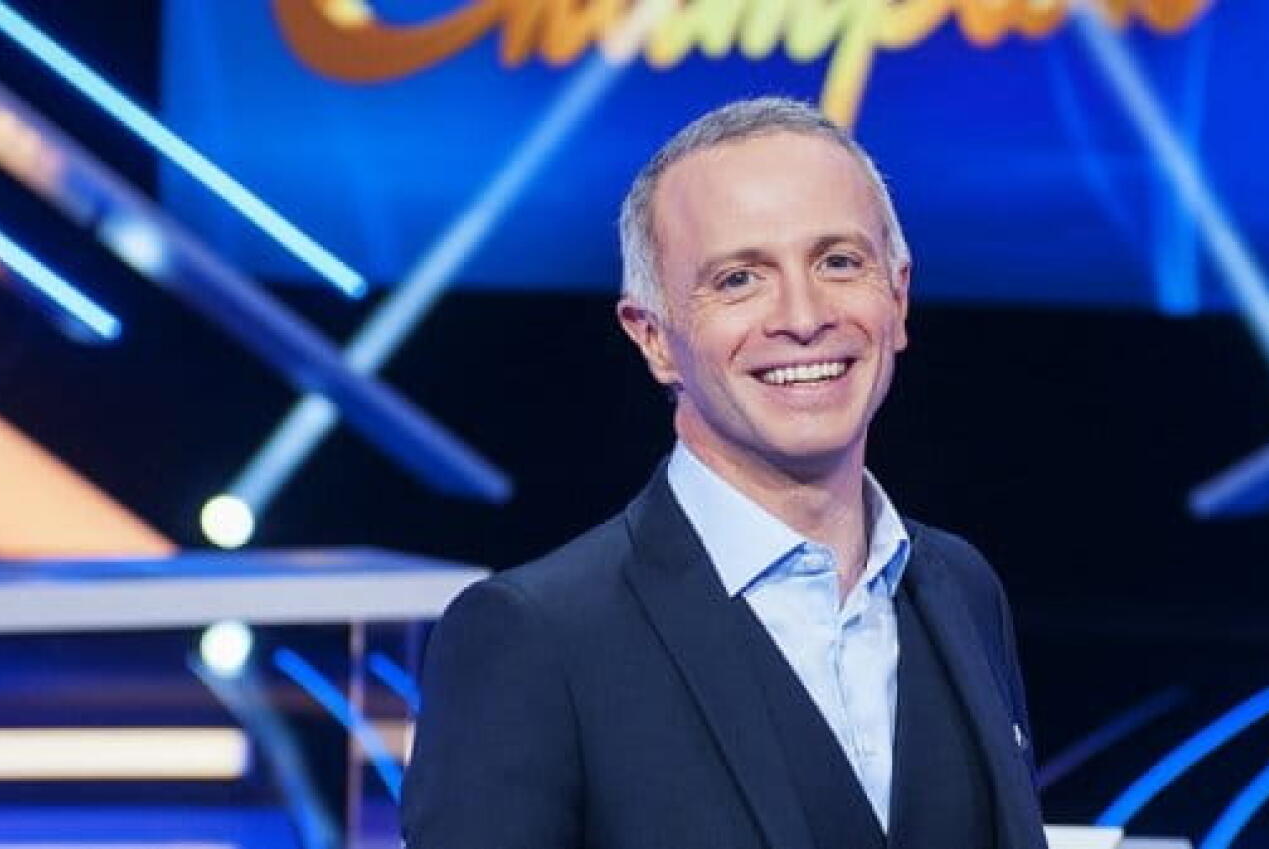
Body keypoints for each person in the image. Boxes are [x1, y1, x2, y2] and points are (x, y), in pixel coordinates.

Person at [403, 97, 1045, 849]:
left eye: (838, 262)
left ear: (898, 296)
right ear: (653, 337)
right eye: (740, 279)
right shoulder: (534, 639)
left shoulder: (962, 588)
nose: (803, 316)